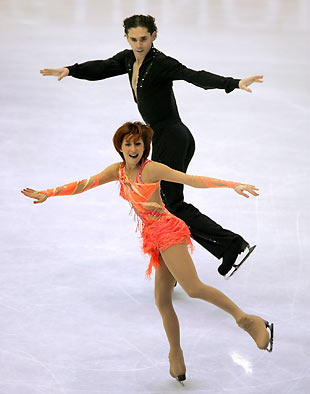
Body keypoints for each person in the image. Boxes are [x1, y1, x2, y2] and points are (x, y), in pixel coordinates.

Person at [21, 121, 273, 385]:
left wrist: (232, 184)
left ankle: (247, 320)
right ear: (119, 146)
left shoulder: (151, 169)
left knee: (193, 288)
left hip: (169, 231)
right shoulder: (117, 171)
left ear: (145, 146)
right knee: (163, 300)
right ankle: (176, 355)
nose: (133, 148)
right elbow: (85, 184)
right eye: (127, 143)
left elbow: (191, 180)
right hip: (153, 237)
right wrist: (48, 193)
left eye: (138, 143)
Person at [40, 14, 263, 277]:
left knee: (171, 204)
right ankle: (184, 261)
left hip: (173, 137)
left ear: (154, 36)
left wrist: (233, 83)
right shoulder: (127, 59)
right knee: (165, 203)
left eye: (143, 38)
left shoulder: (161, 63)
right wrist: (72, 70)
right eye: (133, 39)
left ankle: (229, 245)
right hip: (164, 137)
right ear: (126, 38)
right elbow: (101, 68)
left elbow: (194, 76)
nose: (138, 44)